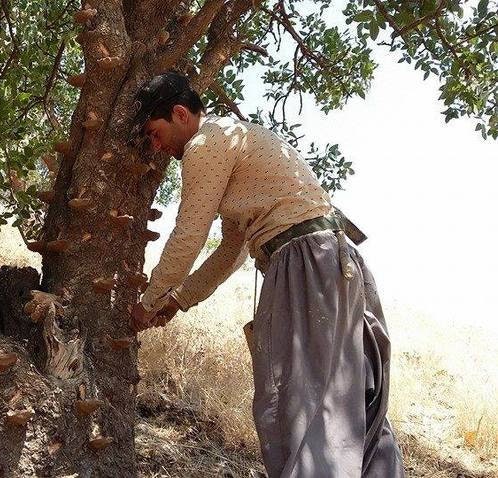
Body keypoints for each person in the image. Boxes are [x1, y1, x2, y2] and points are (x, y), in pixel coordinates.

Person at [128, 72, 405, 477]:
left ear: (180, 114)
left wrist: (147, 302)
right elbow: (230, 252)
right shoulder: (234, 141)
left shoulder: (205, 145)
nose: (155, 147)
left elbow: (189, 233)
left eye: (154, 133)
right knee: (354, 405)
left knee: (303, 407)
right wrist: (178, 299)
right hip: (338, 260)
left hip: (304, 264)